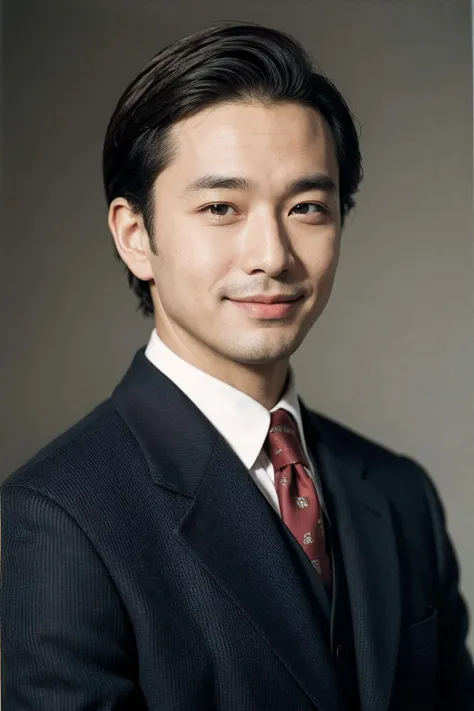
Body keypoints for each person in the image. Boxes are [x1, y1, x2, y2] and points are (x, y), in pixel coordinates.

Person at [1, 20, 473, 711]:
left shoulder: (402, 496)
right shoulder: (59, 516)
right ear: (137, 236)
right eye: (222, 207)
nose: (273, 255)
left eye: (307, 207)